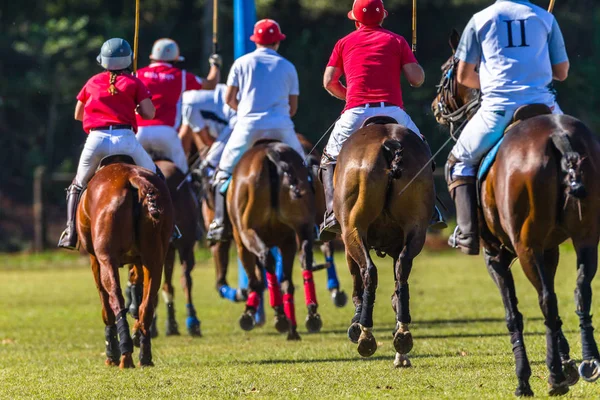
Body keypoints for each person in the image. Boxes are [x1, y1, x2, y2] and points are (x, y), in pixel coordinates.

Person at [447, 0, 569, 255]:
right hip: (545, 108)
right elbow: (562, 72)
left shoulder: (480, 19)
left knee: (459, 162)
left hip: (498, 110)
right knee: (581, 154)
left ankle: (468, 234)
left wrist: (493, 84)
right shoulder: (544, 18)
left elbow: (463, 77)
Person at [319, 0, 445, 241]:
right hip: (393, 112)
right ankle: (431, 210)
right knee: (423, 150)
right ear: (383, 17)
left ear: (355, 20)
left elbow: (329, 81)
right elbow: (416, 80)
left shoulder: (343, 43)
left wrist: (351, 97)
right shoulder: (397, 40)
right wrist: (413, 62)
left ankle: (331, 214)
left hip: (356, 112)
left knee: (329, 157)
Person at [205, 19, 306, 242]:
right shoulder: (288, 66)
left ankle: (219, 223)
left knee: (222, 172)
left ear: (256, 41)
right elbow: (293, 107)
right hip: (281, 126)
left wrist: (247, 112)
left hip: (247, 127)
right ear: (277, 42)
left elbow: (229, 98)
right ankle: (316, 222)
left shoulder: (241, 63)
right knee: (306, 169)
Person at [58, 38, 158, 250]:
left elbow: (78, 114)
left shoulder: (92, 81)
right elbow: (150, 113)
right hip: (126, 140)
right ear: (128, 59)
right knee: (155, 177)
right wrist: (136, 104)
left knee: (77, 184)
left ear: (103, 61)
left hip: (97, 141)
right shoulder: (134, 82)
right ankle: (170, 227)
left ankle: (70, 232)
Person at [135, 38, 222, 174]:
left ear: (152, 57)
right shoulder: (180, 76)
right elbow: (211, 84)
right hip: (166, 134)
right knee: (183, 177)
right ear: (175, 59)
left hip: (139, 133)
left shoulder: (137, 74)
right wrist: (215, 66)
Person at [180, 83, 237, 177]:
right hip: (238, 113)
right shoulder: (190, 95)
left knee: (208, 166)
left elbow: (207, 141)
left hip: (235, 121)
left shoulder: (186, 105)